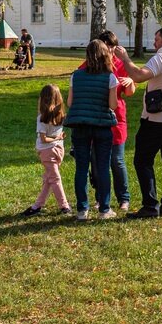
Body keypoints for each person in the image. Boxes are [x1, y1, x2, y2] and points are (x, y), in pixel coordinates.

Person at [113, 25, 162, 219]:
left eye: (157, 39)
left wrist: (125, 58)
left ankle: (150, 205)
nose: (155, 43)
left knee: (142, 160)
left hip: (158, 119)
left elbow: (139, 76)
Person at [81, 31, 135, 212]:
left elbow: (129, 92)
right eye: (107, 47)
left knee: (116, 160)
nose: (110, 51)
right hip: (95, 118)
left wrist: (130, 83)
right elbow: (79, 79)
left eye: (113, 47)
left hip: (116, 118)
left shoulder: (119, 65)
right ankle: (100, 198)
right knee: (97, 161)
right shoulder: (90, 66)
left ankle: (123, 198)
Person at [66, 40, 120, 220]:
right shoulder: (110, 77)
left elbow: (70, 103)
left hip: (81, 125)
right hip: (102, 124)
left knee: (81, 168)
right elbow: (113, 105)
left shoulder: (76, 75)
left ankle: (82, 210)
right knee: (103, 167)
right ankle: (104, 209)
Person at [21, 84, 72, 217]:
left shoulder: (42, 118)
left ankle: (64, 206)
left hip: (47, 151)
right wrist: (58, 138)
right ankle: (37, 206)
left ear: (42, 99)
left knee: (54, 178)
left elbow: (43, 139)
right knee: (48, 179)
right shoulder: (62, 115)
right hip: (59, 149)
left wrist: (54, 138)